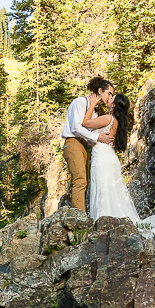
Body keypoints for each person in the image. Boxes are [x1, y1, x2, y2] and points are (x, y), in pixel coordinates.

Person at [82, 93, 155, 234]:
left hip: (102, 158)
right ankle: (111, 225)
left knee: (103, 190)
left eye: (111, 98)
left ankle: (104, 226)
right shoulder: (117, 121)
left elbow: (85, 123)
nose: (108, 99)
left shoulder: (109, 118)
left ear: (114, 105)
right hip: (108, 157)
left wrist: (92, 103)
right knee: (111, 191)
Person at [60, 77, 115, 212]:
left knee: (85, 181)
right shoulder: (80, 102)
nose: (110, 97)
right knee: (80, 180)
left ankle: (81, 214)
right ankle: (78, 218)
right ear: (100, 91)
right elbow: (76, 128)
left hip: (84, 145)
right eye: (109, 93)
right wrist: (98, 138)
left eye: (112, 95)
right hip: (73, 143)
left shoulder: (96, 110)